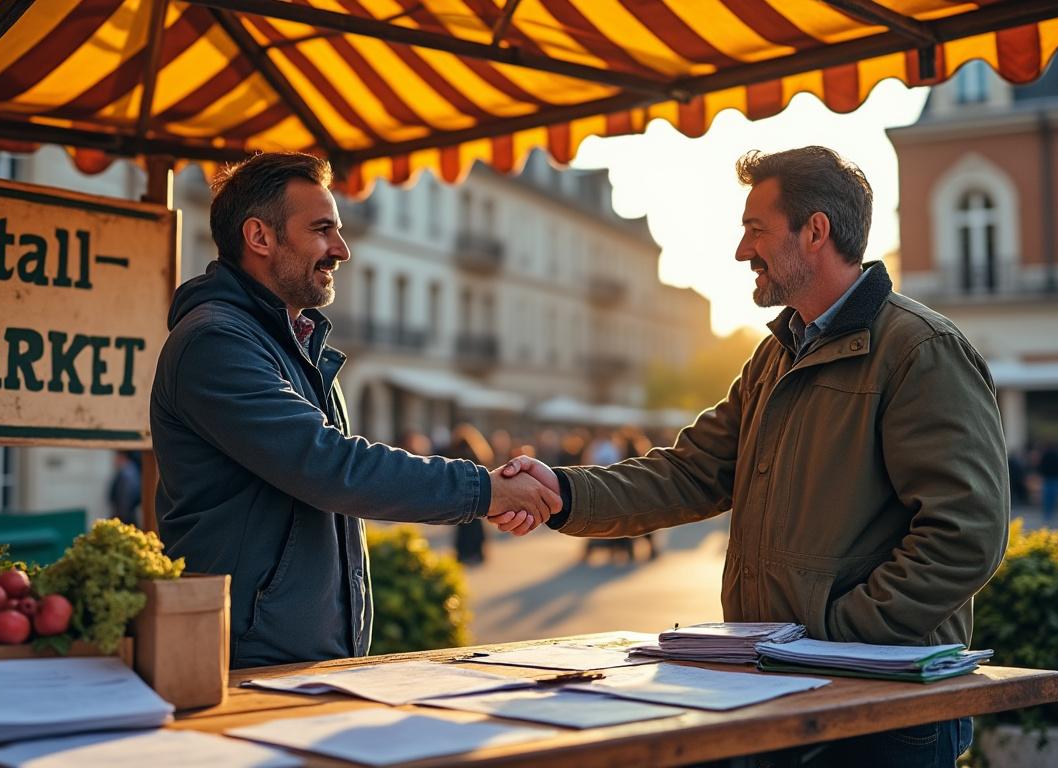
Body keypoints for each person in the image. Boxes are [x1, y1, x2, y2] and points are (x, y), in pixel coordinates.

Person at [504, 147, 1006, 768]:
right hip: (781, 689)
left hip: (884, 710)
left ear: (815, 231)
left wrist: (836, 633)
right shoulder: (776, 354)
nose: (742, 250)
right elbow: (689, 472)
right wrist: (562, 491)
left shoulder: (919, 350)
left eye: (755, 229)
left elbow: (966, 535)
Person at [150, 152, 559, 669]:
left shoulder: (294, 345)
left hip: (296, 654)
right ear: (259, 237)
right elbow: (330, 465)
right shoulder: (216, 342)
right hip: (244, 657)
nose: (341, 250)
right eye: (322, 230)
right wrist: (486, 490)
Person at [447, 424, 495, 565]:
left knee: (462, 526)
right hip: (477, 493)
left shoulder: (455, 451)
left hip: (459, 494)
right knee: (475, 525)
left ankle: (463, 553)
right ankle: (477, 552)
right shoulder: (478, 450)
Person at [107, 450, 142, 527]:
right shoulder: (130, 471)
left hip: (126, 518)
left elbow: (124, 500)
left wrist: (119, 517)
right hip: (128, 516)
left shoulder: (127, 473)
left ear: (122, 457)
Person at [1036, 444, 1058, 526]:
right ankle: (1049, 514)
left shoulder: (1046, 455)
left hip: (1048, 478)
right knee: (1052, 498)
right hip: (1055, 478)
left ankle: (1047, 515)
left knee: (1047, 498)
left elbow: (1041, 466)